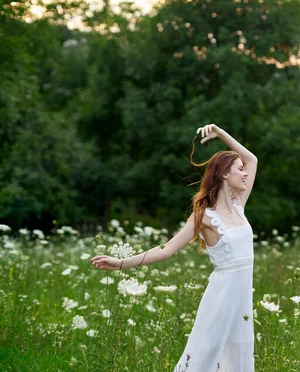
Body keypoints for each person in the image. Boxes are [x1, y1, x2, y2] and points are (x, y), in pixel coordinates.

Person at [90, 124, 258, 372]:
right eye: (239, 170)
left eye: (244, 171)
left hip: (242, 300)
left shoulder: (238, 205)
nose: (245, 173)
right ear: (224, 174)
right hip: (221, 299)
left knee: (238, 355)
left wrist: (221, 134)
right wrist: (119, 263)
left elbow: (252, 159)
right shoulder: (205, 216)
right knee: (204, 356)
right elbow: (166, 250)